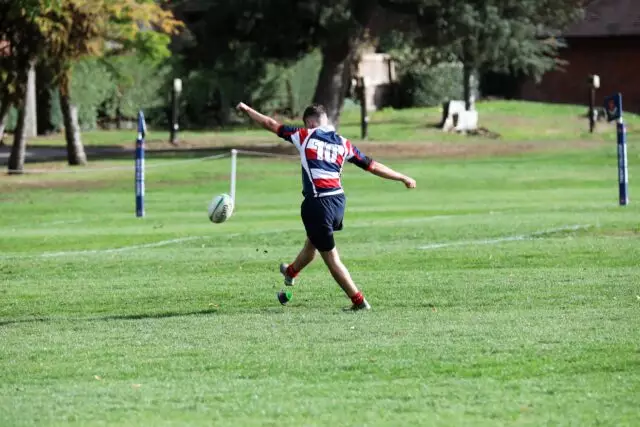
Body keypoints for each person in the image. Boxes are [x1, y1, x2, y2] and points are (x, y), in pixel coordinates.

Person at [236, 102, 416, 310]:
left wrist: (248, 111)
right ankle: (291, 272)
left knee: (331, 258)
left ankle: (358, 302)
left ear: (310, 122)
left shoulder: (304, 135)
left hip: (318, 203)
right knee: (313, 242)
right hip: (339, 202)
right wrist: (402, 176)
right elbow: (372, 165)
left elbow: (270, 123)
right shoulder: (343, 142)